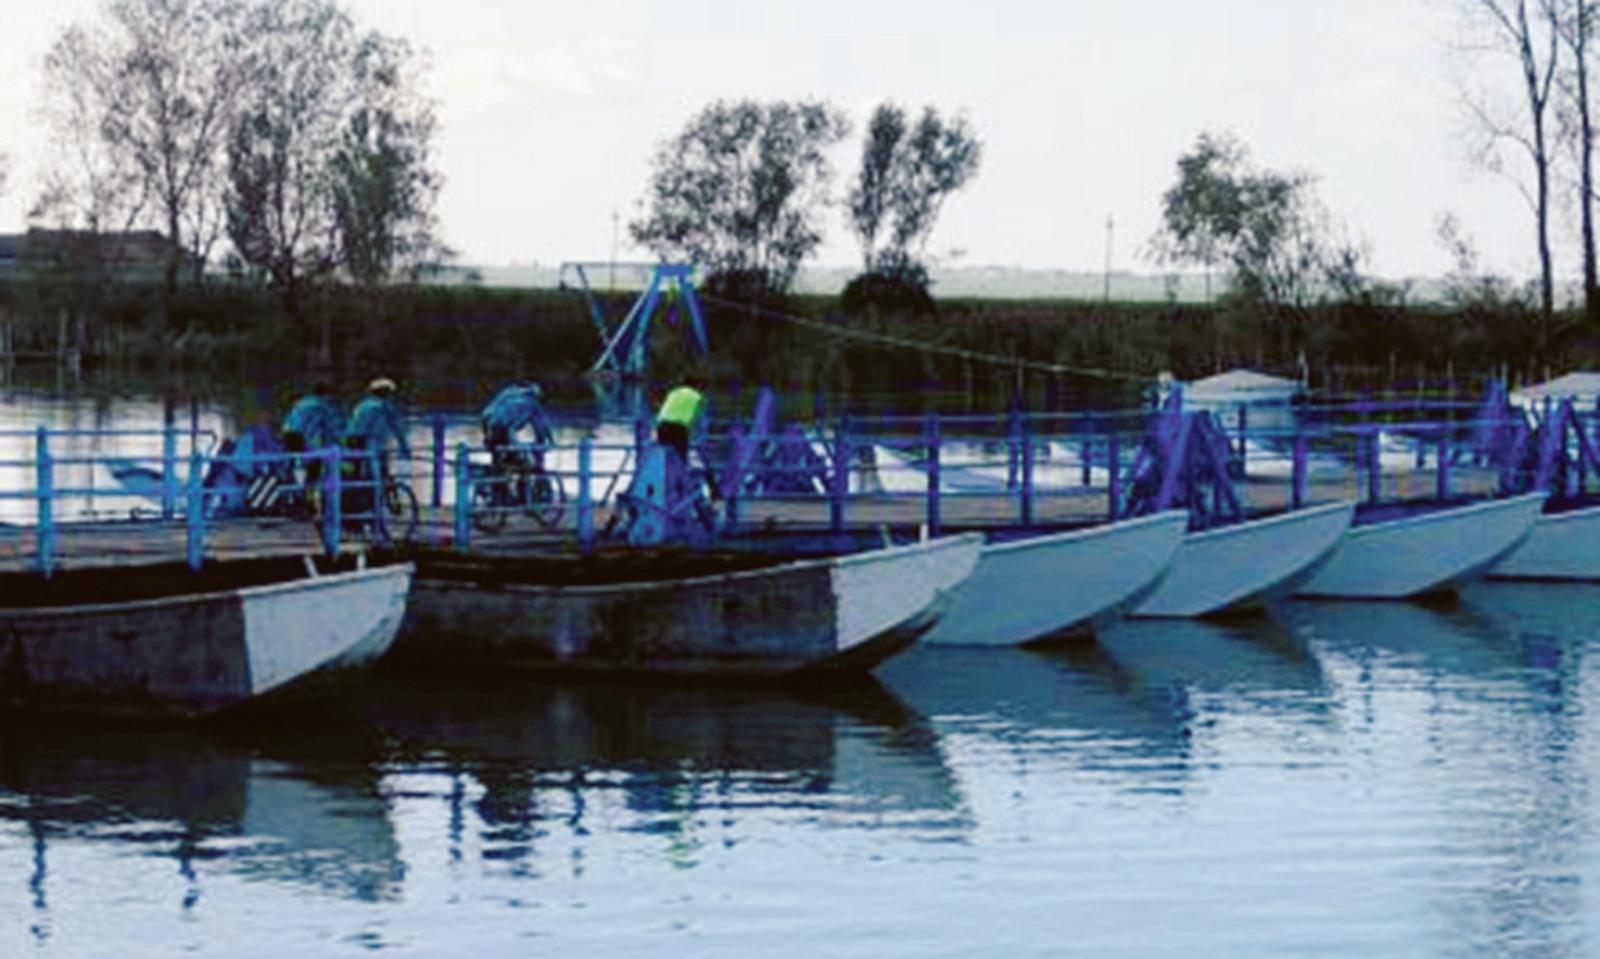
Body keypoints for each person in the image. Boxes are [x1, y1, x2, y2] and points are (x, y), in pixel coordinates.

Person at [344, 377, 412, 523]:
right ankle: (374, 507)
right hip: (373, 444)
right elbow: (397, 427)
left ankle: (361, 507)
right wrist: (404, 447)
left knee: (359, 476)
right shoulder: (384, 407)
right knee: (379, 474)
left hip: (354, 443)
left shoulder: (361, 405)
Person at [481, 381, 556, 471]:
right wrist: (550, 442)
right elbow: (541, 428)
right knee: (521, 460)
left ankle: (499, 474)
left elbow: (486, 414)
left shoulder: (509, 392)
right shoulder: (532, 403)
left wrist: (487, 436)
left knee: (499, 456)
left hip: (490, 425)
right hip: (504, 428)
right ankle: (530, 475)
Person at [280, 382, 345, 486]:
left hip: (296, 444)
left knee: (296, 474)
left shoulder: (301, 405)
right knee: (316, 478)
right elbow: (335, 429)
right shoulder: (326, 407)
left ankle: (298, 495)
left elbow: (289, 428)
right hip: (315, 447)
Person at [655, 377, 706, 465]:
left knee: (663, 458)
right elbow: (696, 417)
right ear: (696, 386)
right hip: (679, 428)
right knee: (681, 458)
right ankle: (680, 476)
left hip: (662, 426)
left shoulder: (673, 392)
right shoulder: (697, 396)